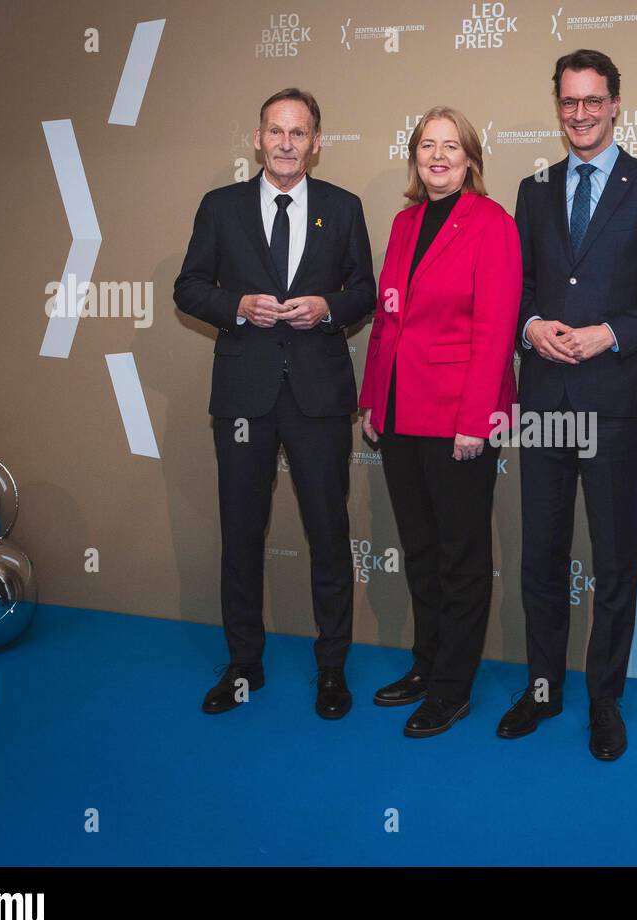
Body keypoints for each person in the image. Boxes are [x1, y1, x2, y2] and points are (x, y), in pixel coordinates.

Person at [499, 49, 637, 759]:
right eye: (569, 102)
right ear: (560, 106)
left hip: (614, 403)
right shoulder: (534, 188)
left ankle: (604, 701)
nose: (580, 113)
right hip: (546, 399)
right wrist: (530, 327)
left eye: (593, 100)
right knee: (541, 558)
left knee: (612, 562)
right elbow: (515, 288)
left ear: (615, 104)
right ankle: (543, 691)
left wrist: (610, 333)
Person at [174, 88, 376, 719]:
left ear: (315, 142)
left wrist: (328, 308)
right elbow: (188, 288)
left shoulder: (343, 208)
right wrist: (237, 306)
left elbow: (365, 290)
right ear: (257, 138)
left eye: (300, 132)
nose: (287, 142)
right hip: (243, 396)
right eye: (276, 131)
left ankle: (332, 670)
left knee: (328, 533)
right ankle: (243, 666)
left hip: (317, 396)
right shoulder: (221, 207)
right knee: (240, 533)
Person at [358, 107, 522, 738]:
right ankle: (426, 667)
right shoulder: (403, 223)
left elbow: (496, 326)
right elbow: (388, 320)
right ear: (415, 156)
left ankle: (453, 687)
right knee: (421, 551)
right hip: (399, 413)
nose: (438, 156)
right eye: (428, 145)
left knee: (460, 556)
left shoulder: (492, 223)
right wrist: (374, 398)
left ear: (470, 158)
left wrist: (478, 417)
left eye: (451, 146)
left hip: (458, 417)